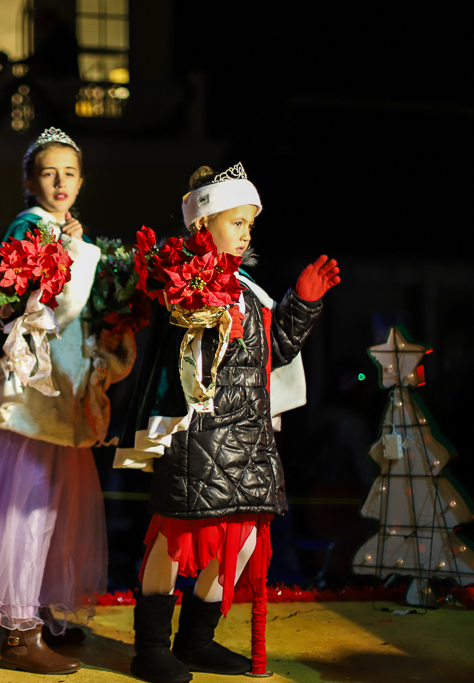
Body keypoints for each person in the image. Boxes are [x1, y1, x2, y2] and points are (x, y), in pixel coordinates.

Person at [114, 163, 340, 682]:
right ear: (203, 226)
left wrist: (300, 304)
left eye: (250, 225)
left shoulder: (249, 291)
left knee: (234, 544)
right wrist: (201, 294)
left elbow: (271, 353)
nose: (246, 233)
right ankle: (150, 647)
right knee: (176, 541)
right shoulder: (183, 282)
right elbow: (189, 350)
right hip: (197, 435)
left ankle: (196, 641)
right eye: (237, 222)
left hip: (248, 438)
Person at [0, 128, 134, 675]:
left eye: (69, 172)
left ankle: (38, 617)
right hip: (34, 397)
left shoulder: (63, 232)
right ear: (30, 181)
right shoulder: (30, 229)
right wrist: (75, 252)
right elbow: (32, 304)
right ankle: (21, 630)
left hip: (61, 395)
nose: (60, 182)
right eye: (48, 172)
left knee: (51, 510)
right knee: (27, 508)